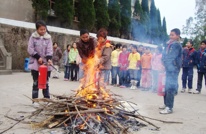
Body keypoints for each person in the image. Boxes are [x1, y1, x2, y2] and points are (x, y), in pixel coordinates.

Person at [27, 20, 53, 104]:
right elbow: (30, 49)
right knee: (36, 82)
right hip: (35, 63)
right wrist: (37, 57)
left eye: (44, 29)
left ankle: (46, 99)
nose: (43, 31)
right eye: (41, 29)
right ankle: (35, 100)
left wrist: (49, 58)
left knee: (46, 82)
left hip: (45, 65)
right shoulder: (33, 37)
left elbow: (50, 49)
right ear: (37, 29)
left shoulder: (48, 38)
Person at [161, 28, 182, 114]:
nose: (171, 36)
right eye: (170, 35)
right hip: (168, 68)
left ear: (177, 36)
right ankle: (166, 104)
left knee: (170, 87)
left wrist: (165, 64)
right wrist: (163, 63)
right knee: (166, 86)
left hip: (173, 68)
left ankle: (169, 107)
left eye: (173, 35)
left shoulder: (176, 45)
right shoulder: (169, 44)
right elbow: (164, 55)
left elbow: (171, 57)